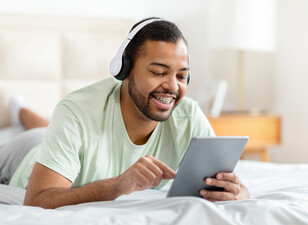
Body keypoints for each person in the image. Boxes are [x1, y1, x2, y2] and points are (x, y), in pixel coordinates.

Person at [2, 17, 249, 209]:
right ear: (125, 71)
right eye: (159, 72)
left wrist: (238, 191)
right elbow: (37, 200)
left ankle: (23, 112)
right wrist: (118, 185)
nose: (173, 87)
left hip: (55, 135)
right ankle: (20, 111)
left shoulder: (188, 116)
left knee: (46, 128)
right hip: (24, 156)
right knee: (38, 134)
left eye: (182, 76)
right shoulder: (75, 111)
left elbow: (225, 185)